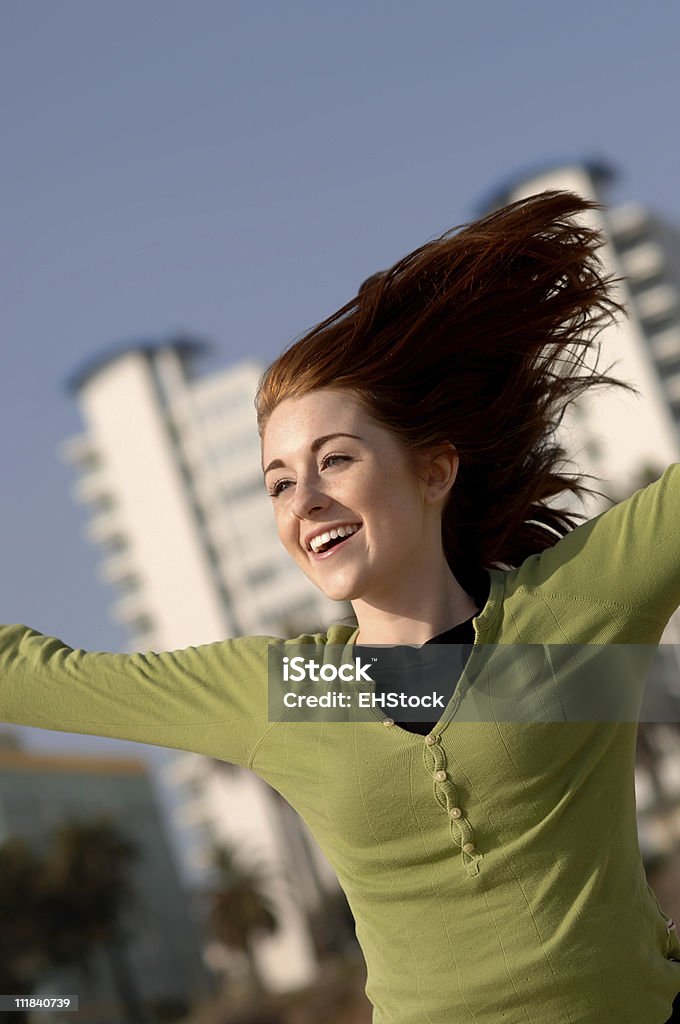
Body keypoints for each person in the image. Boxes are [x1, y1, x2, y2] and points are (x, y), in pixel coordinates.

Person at [1, 190, 680, 1023]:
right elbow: (31, 676)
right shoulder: (283, 692)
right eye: (280, 482)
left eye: (335, 460)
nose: (304, 501)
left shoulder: (571, 609)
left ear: (433, 471)